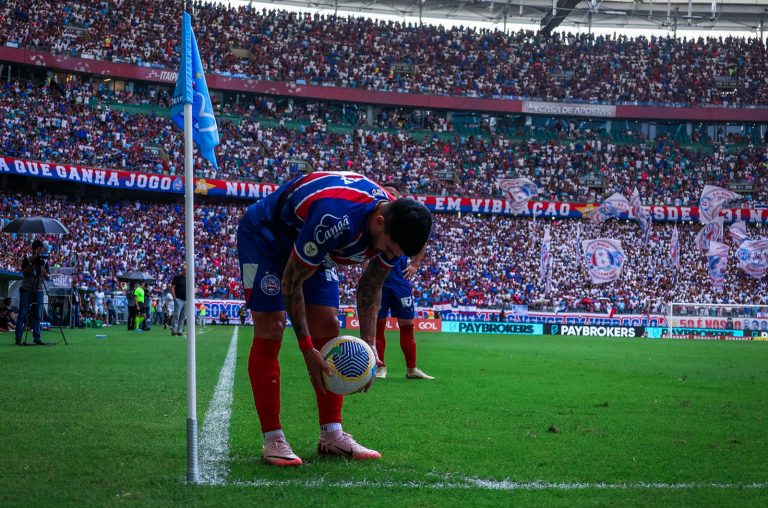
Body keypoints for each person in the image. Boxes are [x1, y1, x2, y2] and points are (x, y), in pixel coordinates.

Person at [237, 171, 431, 467]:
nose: (390, 255)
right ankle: (273, 438)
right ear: (379, 222)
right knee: (271, 328)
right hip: (267, 234)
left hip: (313, 241)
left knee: (328, 326)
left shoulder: (395, 222)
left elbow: (370, 285)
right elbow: (291, 282)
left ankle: (332, 435)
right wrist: (306, 349)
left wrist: (370, 348)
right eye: (390, 248)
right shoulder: (334, 217)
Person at [374, 248, 434, 380]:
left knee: (407, 325)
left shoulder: (406, 227)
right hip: (379, 284)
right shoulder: (375, 227)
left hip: (400, 283)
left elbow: (422, 242)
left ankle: (411, 369)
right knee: (377, 327)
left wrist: (415, 265)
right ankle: (380, 367)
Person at [15, 240, 50, 345]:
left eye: (40, 249)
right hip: (27, 288)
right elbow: (24, 273)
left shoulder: (44, 262)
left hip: (39, 289)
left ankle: (37, 337)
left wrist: (42, 268)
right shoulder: (27, 259)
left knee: (38, 314)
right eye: (39, 248)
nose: (40, 250)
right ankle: (18, 338)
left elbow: (48, 277)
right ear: (35, 249)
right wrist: (31, 263)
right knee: (23, 314)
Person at [170, 266, 187, 337]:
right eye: (185, 269)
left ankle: (179, 331)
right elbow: (172, 287)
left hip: (186, 300)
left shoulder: (189, 278)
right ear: (182, 270)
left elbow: (194, 288)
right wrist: (174, 298)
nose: (186, 271)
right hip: (179, 299)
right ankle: (174, 330)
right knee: (176, 315)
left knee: (183, 316)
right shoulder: (177, 277)